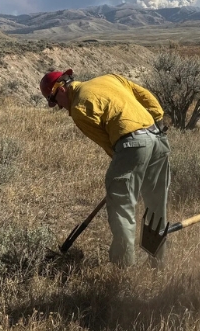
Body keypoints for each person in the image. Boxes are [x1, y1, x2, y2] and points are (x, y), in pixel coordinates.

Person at [41, 69, 170, 267]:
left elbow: (109, 145)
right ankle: (158, 263)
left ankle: (123, 270)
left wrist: (126, 172)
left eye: (55, 101)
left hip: (132, 145)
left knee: (121, 206)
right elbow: (145, 96)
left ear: (61, 90)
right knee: (156, 205)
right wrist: (157, 122)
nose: (59, 107)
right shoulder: (109, 78)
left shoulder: (79, 108)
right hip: (158, 138)